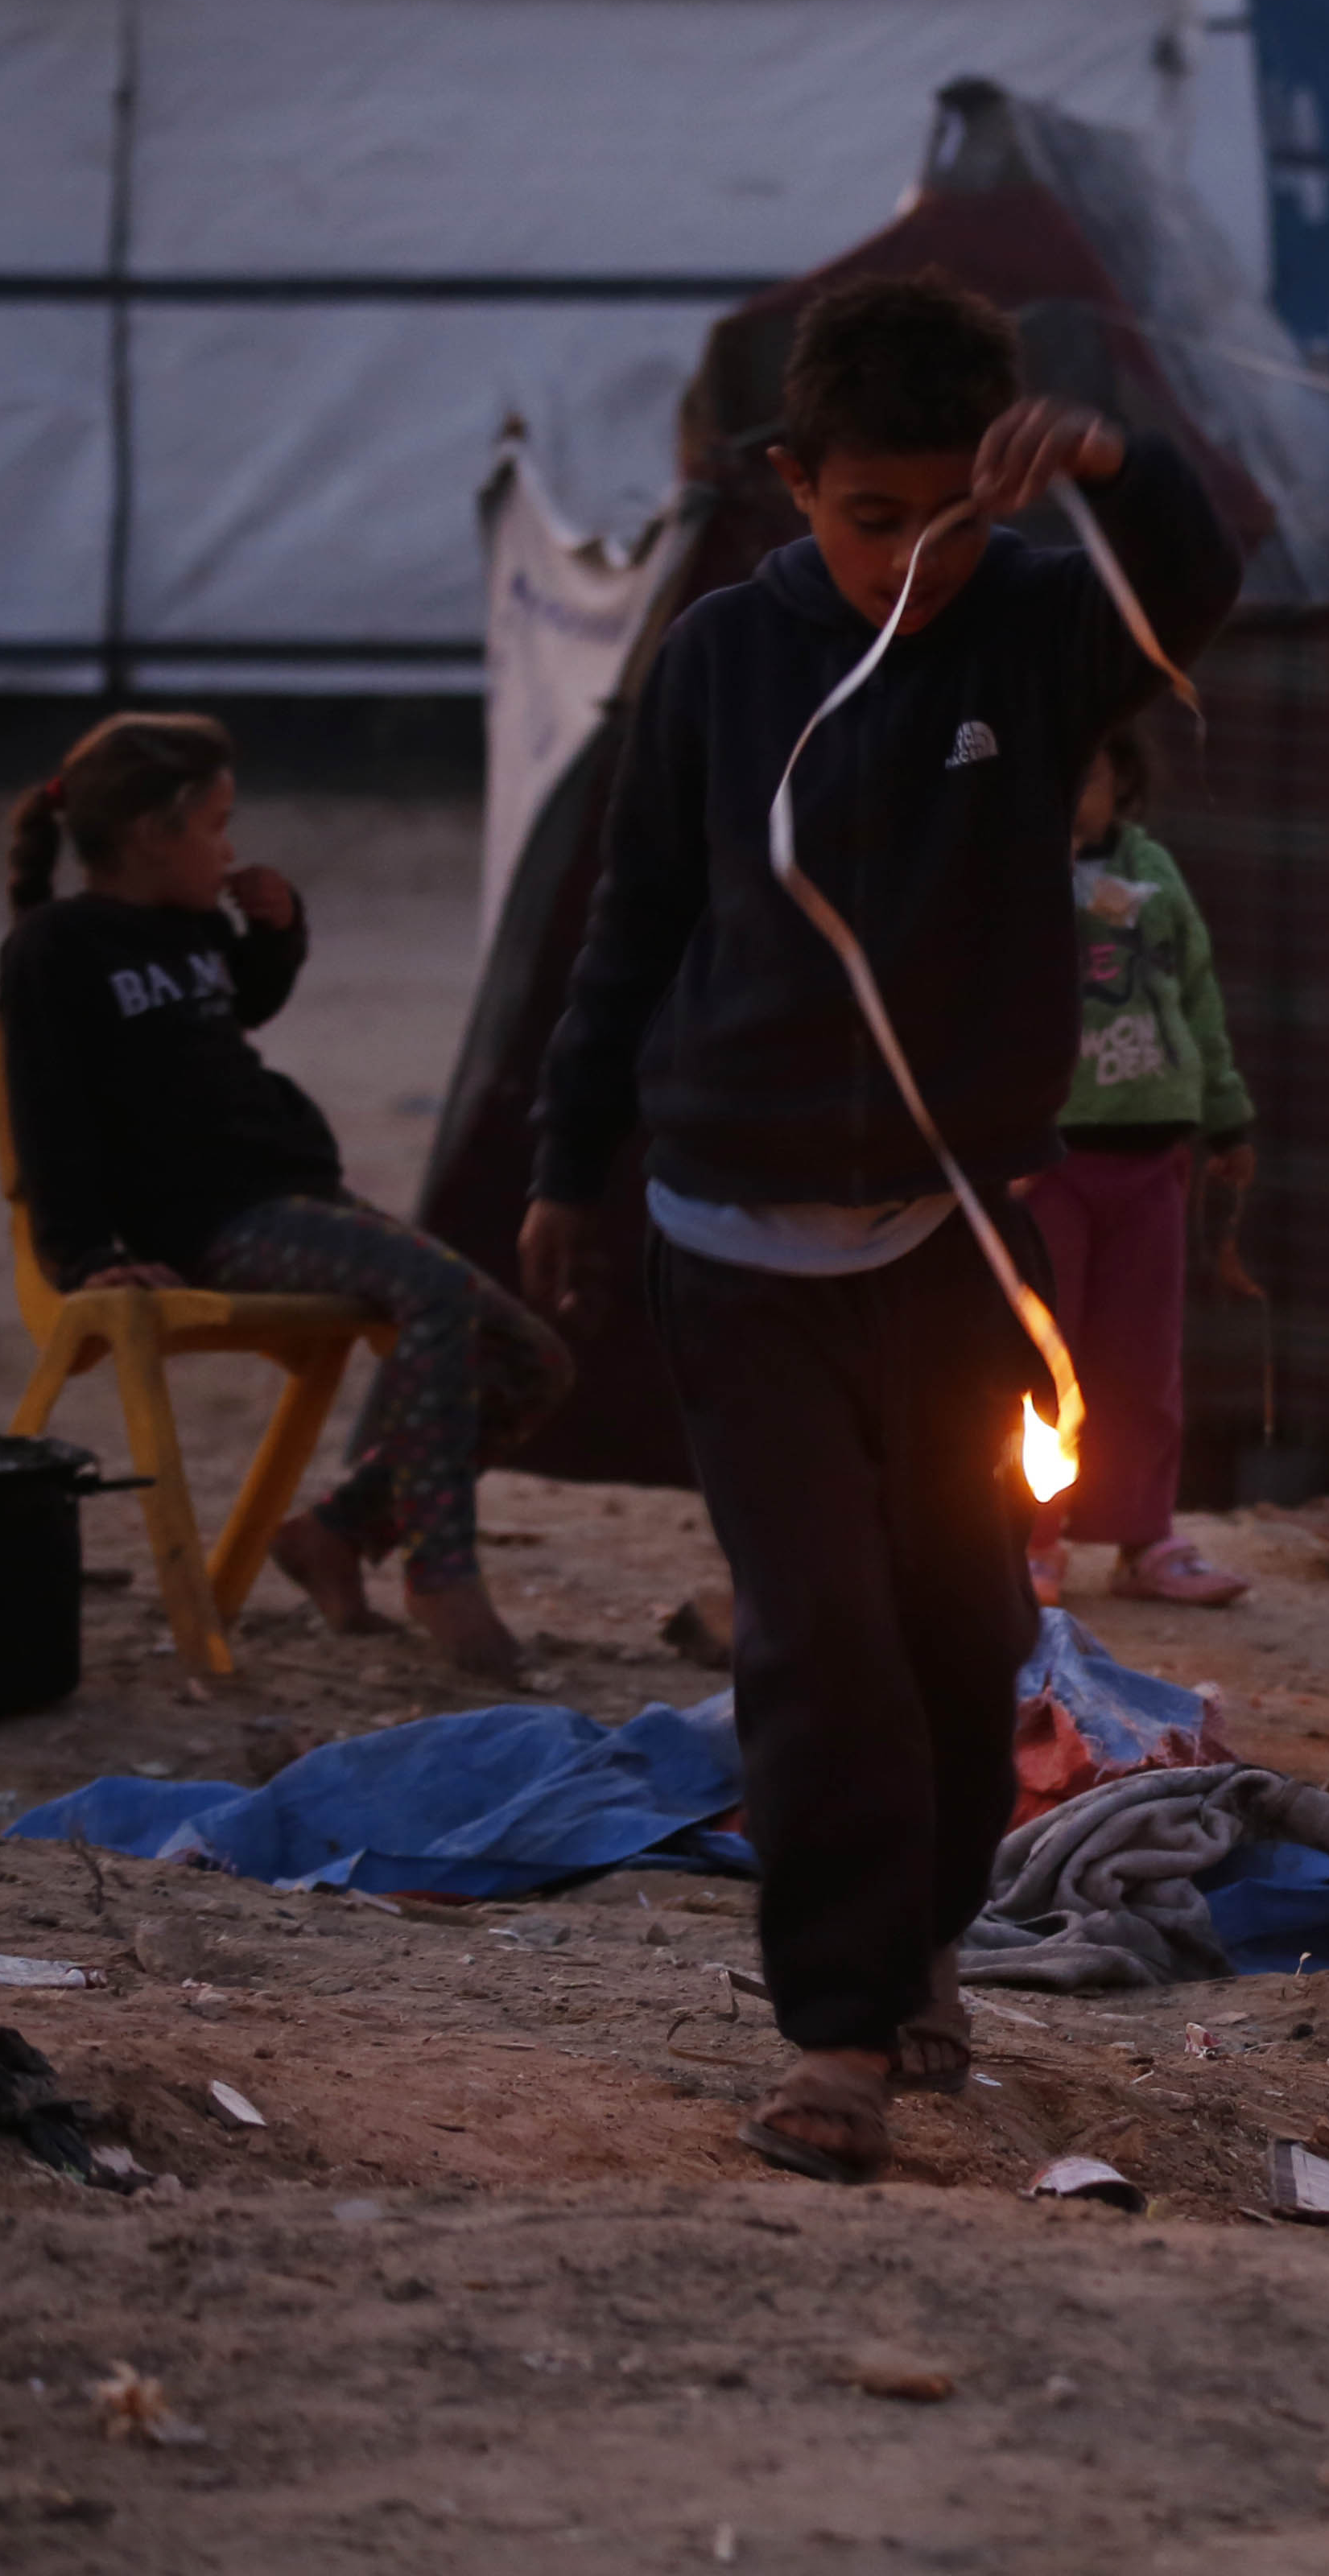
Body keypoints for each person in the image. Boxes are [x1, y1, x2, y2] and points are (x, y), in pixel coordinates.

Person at [523, 273, 1242, 2184]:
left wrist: (1114, 461)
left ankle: (929, 1934)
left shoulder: (1028, 636)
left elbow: (1199, 581)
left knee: (960, 1624)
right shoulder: (713, 660)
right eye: (868, 519)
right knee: (818, 1634)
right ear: (789, 484)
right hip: (731, 1245)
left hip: (946, 1248)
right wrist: (561, 1159)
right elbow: (634, 922)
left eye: (956, 518)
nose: (911, 562)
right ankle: (834, 2031)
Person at [0, 712, 573, 1680]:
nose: (230, 848)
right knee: (429, 1293)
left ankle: (338, 1532)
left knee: (532, 1359)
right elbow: (48, 1117)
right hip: (210, 1223)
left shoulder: (188, 928)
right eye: (217, 826)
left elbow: (236, 1007)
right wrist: (86, 1253)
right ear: (151, 833)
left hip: (295, 1198)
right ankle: (441, 1569)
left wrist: (276, 929)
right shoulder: (59, 949)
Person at [1017, 720, 1256, 1609]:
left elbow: (1196, 994)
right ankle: (1028, 1537)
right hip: (1043, 1163)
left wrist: (1226, 1119)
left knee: (1142, 1359)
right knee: (1040, 1357)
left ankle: (1143, 1536)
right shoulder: (1001, 874)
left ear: (1123, 782)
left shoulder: (1154, 876)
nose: (1074, 794)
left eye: (1091, 775)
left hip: (1153, 1154)